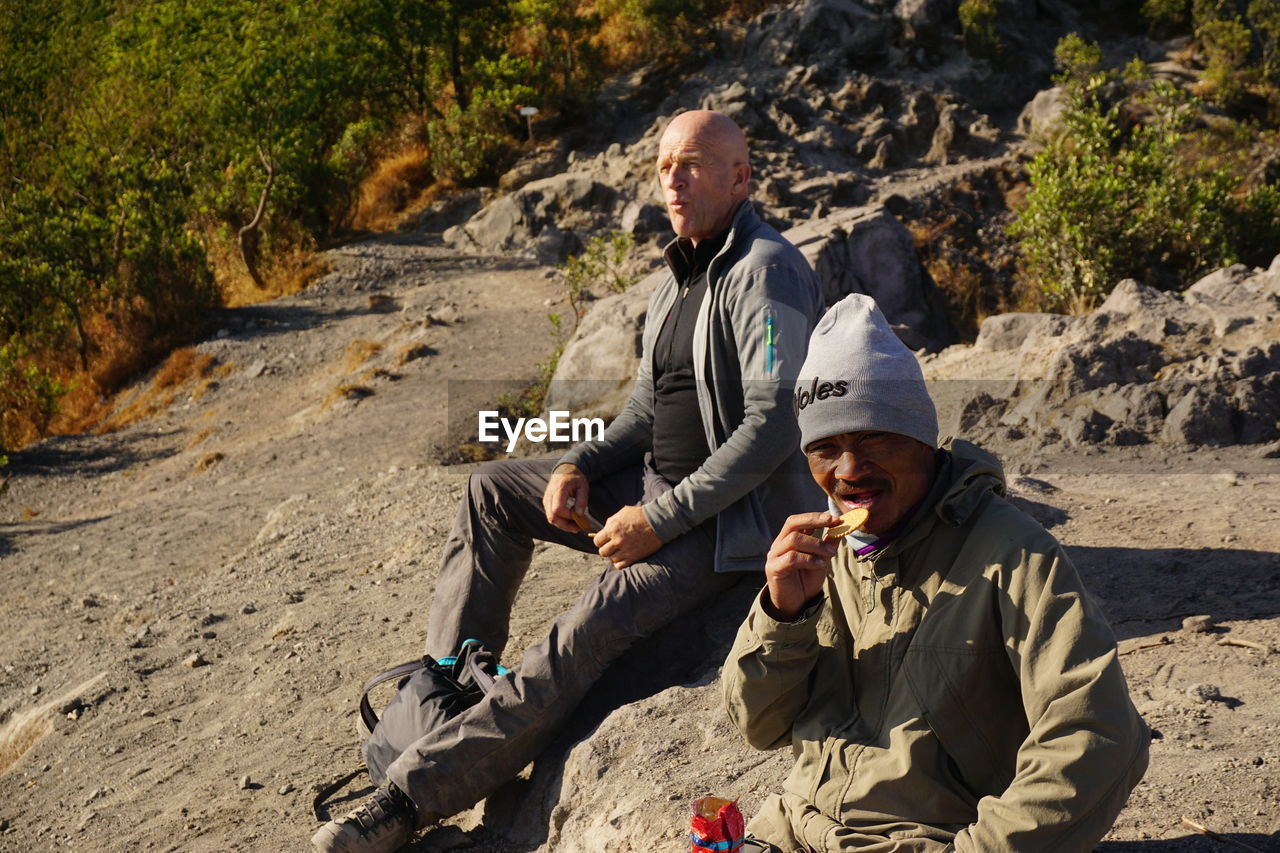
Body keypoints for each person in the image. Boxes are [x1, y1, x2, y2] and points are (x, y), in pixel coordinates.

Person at [312, 110, 824, 853]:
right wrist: (578, 465)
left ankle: (403, 800)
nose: (672, 180)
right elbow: (646, 410)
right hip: (654, 494)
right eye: (662, 167)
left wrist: (662, 519)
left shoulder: (766, 270)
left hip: (723, 531)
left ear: (740, 177)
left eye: (693, 164)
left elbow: (774, 426)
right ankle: (447, 700)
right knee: (491, 489)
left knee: (582, 627)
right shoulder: (679, 274)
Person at [723, 294, 1150, 853]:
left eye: (874, 437)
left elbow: (1099, 735)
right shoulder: (821, 555)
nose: (849, 471)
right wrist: (783, 614)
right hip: (793, 829)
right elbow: (760, 727)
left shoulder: (1014, 554)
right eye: (826, 447)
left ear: (922, 438)